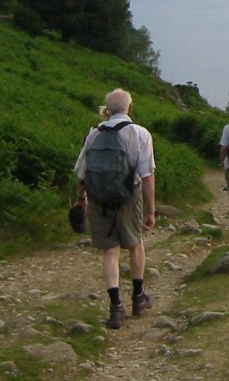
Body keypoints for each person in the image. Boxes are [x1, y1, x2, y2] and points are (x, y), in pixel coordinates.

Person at [73, 88, 156, 329]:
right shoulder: (140, 133)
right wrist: (151, 210)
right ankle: (138, 298)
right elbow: (147, 175)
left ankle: (115, 308)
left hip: (99, 198)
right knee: (135, 244)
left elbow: (80, 173)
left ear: (107, 110)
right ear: (130, 108)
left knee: (110, 252)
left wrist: (82, 199)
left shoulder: (94, 134)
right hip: (130, 195)